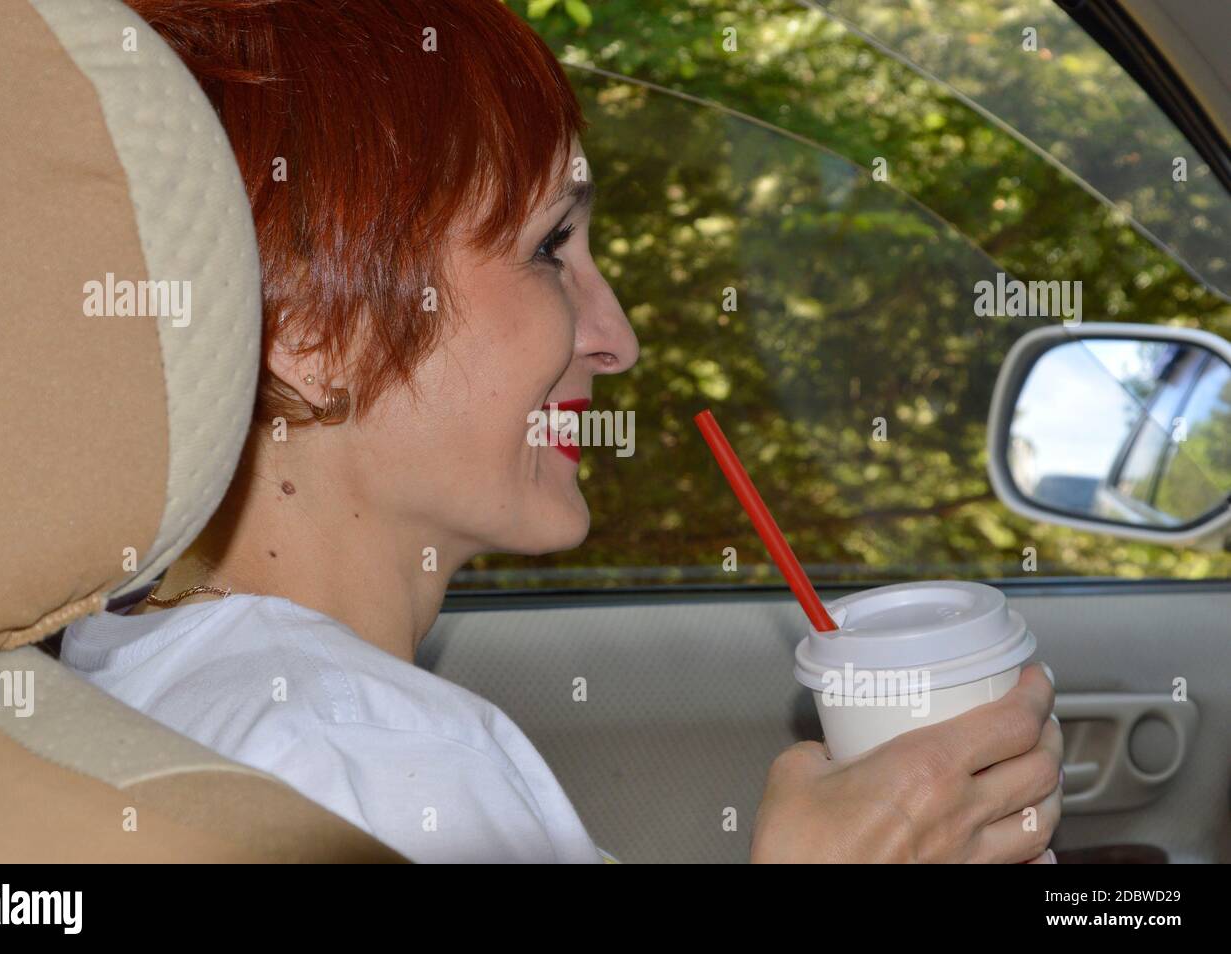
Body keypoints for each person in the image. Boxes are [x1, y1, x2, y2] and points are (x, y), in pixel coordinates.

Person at [62, 0, 1062, 863]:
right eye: (548, 247)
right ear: (310, 331)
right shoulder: (365, 761)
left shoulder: (117, 670)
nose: (615, 339)